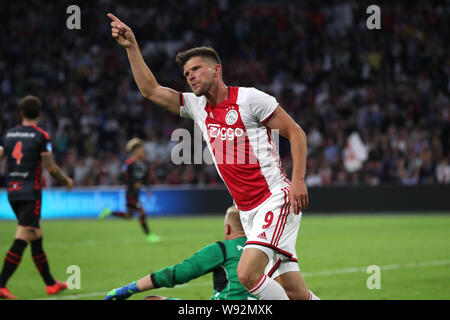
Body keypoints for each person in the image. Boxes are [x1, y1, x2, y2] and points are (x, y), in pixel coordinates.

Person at [108, 13, 319, 300]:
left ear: (216, 70)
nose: (190, 76)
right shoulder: (196, 106)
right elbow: (151, 90)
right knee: (294, 291)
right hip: (247, 211)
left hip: (274, 198)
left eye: (195, 69)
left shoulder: (250, 99)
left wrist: (298, 180)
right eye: (186, 74)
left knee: (246, 275)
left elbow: (296, 133)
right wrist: (132, 46)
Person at [0, 95, 74, 299]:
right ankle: (1, 284)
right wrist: (66, 180)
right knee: (23, 236)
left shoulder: (9, 135)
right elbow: (50, 167)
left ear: (21, 113)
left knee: (36, 236)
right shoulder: (41, 136)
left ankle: (50, 284)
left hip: (12, 193)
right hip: (30, 192)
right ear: (39, 114)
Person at [104, 206, 255, 300]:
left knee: (151, 300)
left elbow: (176, 274)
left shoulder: (222, 248)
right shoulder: (265, 250)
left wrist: (129, 288)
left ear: (227, 228)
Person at [99, 138, 160, 243]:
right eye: (141, 149)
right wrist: (132, 183)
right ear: (135, 150)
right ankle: (149, 235)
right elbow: (122, 176)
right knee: (142, 212)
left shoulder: (143, 164)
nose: (142, 151)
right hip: (130, 193)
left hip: (136, 193)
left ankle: (109, 212)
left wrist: (148, 188)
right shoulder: (129, 163)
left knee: (128, 216)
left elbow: (145, 178)